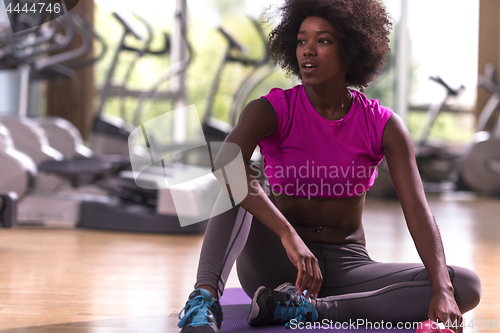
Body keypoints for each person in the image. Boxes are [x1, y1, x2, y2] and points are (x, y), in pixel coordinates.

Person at [177, 0, 482, 332]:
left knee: (464, 284)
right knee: (236, 175)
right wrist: (287, 233)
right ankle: (204, 300)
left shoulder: (383, 125)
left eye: (322, 40)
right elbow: (223, 163)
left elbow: (418, 210)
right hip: (277, 260)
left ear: (350, 49)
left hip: (346, 269)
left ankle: (308, 309)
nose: (308, 50)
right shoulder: (271, 110)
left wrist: (443, 289)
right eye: (301, 40)